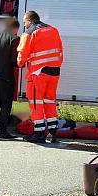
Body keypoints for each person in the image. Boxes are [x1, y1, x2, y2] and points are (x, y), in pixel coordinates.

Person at [18, 10, 64, 143]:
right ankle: (52, 132)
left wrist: (20, 62)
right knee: (49, 101)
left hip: (38, 74)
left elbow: (22, 53)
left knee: (36, 102)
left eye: (24, 21)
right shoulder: (53, 30)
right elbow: (60, 50)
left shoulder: (29, 32)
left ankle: (38, 133)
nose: (24, 24)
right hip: (54, 72)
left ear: (29, 20)